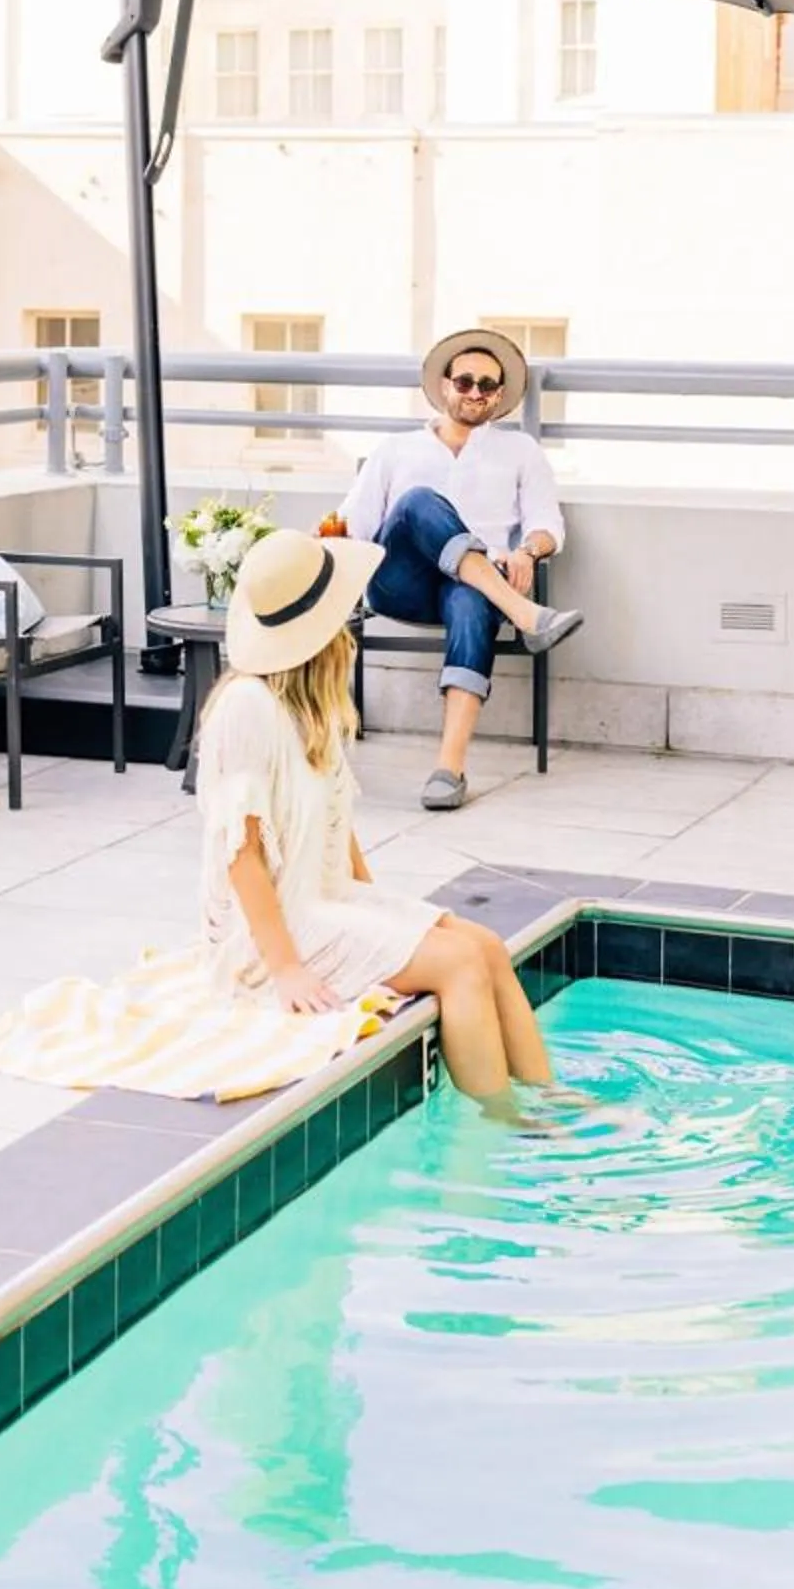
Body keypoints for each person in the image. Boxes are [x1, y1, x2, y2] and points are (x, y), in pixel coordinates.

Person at [200, 526, 556, 1116]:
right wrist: (286, 968)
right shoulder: (246, 709)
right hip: (270, 935)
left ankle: (551, 1099)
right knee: (460, 964)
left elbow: (338, 823)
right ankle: (507, 1123)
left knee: (487, 946)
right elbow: (243, 854)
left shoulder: (310, 701)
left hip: (325, 898)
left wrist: (380, 912)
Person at [336, 323, 583, 812]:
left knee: (473, 597)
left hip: (473, 587)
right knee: (417, 502)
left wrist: (527, 551)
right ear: (445, 385)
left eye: (487, 385)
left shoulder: (521, 452)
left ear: (498, 395)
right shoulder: (395, 449)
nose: (475, 392)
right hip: (399, 582)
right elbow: (353, 525)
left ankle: (449, 769)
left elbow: (547, 525)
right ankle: (527, 613)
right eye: (465, 381)